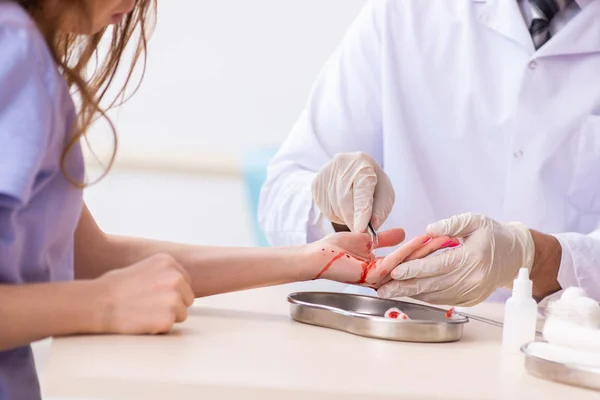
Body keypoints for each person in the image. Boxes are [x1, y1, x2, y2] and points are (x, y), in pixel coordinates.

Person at [0, 1, 455, 398]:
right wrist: (101, 305)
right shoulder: (13, 49)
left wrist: (309, 259)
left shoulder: (28, 54)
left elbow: (90, 259)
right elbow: (98, 284)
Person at [259, 0, 600, 305]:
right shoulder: (404, 12)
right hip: (388, 330)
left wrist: (540, 259)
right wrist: (333, 212)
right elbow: (280, 193)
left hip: (563, 346)